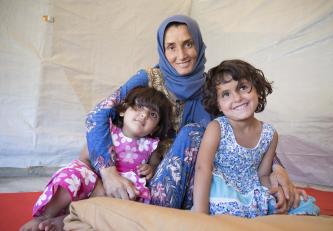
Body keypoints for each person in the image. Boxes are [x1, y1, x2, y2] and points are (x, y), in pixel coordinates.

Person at [82, 14, 306, 211]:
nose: (181, 55)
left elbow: (242, 127)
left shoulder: (213, 88)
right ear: (163, 50)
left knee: (246, 180)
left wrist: (278, 167)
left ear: (199, 45)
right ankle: (158, 209)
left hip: (199, 186)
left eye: (188, 44)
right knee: (193, 133)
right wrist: (108, 173)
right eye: (171, 47)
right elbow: (97, 115)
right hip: (147, 180)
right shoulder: (149, 78)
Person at [19, 87, 172, 231]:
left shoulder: (151, 145)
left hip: (119, 193)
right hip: (94, 181)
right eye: (138, 107)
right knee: (72, 173)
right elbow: (83, 159)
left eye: (153, 114)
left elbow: (154, 168)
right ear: (123, 111)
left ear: (156, 127)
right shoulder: (106, 133)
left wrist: (150, 169)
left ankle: (66, 219)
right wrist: (98, 180)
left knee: (127, 206)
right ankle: (44, 216)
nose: (143, 115)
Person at [193, 59, 320, 217]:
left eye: (243, 87)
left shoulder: (269, 134)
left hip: (252, 190)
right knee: (224, 203)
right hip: (223, 191)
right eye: (226, 94)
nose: (237, 98)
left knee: (302, 202)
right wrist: (200, 215)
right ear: (218, 104)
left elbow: (263, 175)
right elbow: (202, 168)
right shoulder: (217, 128)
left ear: (258, 90)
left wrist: (276, 192)